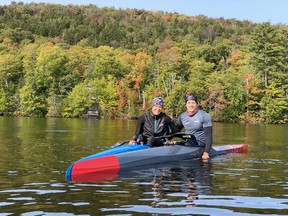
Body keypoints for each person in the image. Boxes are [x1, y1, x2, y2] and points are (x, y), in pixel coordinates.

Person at [176, 93, 212, 160]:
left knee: (189, 142)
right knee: (177, 143)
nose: (191, 105)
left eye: (193, 103)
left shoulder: (204, 115)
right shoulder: (182, 116)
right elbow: (175, 130)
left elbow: (209, 136)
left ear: (196, 104)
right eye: (189, 103)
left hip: (201, 144)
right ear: (186, 104)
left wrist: (206, 152)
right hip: (189, 143)